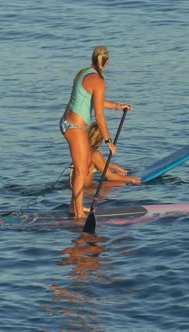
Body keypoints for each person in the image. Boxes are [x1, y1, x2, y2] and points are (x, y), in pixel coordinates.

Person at [59, 46, 132, 218]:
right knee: (81, 170)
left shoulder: (83, 73)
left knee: (81, 170)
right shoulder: (99, 81)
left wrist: (117, 106)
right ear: (106, 63)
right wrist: (108, 141)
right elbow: (99, 115)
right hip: (74, 127)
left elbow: (94, 101)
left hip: (68, 123)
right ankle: (77, 213)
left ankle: (74, 207)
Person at [69, 123, 141, 189]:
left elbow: (99, 163)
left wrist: (115, 167)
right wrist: (133, 179)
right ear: (100, 139)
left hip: (74, 187)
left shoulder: (80, 149)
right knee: (122, 184)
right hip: (86, 189)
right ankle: (103, 199)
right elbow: (110, 176)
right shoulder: (95, 154)